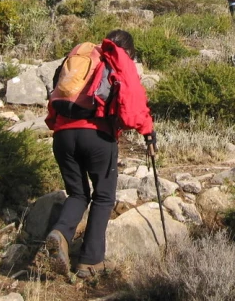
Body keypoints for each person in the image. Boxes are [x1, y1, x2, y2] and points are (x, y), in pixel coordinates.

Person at [44, 30, 156, 279]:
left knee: (77, 193)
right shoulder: (117, 58)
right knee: (104, 197)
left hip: (62, 135)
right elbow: (134, 106)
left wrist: (56, 125)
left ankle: (60, 233)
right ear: (128, 50)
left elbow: (56, 91)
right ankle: (90, 261)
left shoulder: (81, 54)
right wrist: (148, 132)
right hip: (96, 136)